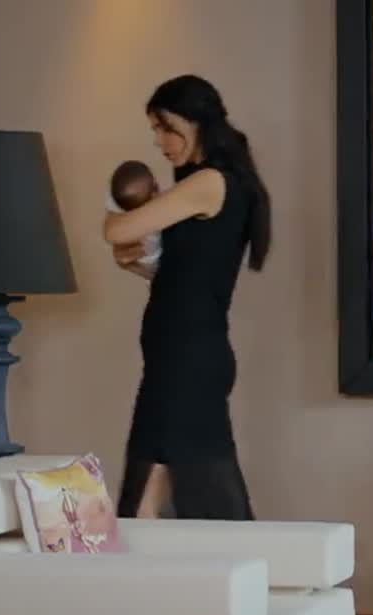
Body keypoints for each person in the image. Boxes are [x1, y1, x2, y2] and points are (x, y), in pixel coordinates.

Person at [102, 74, 271, 520]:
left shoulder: (209, 183)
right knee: (154, 484)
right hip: (180, 357)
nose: (159, 142)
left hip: (188, 359)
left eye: (167, 128)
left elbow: (116, 230)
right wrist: (138, 264)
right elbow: (186, 276)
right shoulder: (204, 185)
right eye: (155, 130)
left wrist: (115, 201)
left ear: (197, 123)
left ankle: (254, 562)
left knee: (185, 488)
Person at [106, 160, 162, 273]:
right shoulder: (156, 221)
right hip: (155, 261)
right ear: (155, 191)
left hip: (144, 262)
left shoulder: (122, 215)